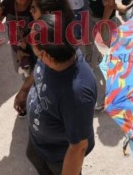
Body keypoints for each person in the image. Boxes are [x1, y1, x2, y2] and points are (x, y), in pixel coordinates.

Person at [18, 13, 96, 174]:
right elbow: (39, 69)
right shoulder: (57, 50)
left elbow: (79, 147)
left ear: (46, 55)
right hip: (38, 142)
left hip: (60, 155)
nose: (27, 41)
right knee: (34, 159)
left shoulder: (77, 94)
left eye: (32, 43)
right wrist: (25, 90)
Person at [0, 0, 34, 79]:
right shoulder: (8, 2)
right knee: (22, 72)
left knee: (33, 76)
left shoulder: (35, 4)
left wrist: (26, 39)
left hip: (33, 50)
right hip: (15, 48)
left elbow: (41, 29)